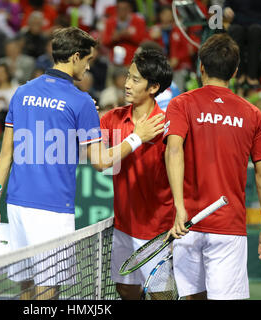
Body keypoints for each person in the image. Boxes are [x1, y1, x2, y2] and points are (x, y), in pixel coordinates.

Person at [0, 27, 165, 299]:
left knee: (27, 287)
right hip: (52, 211)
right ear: (75, 57)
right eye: (87, 60)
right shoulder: (80, 102)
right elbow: (102, 162)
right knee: (46, 291)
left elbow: (5, 154)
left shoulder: (22, 92)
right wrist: (138, 138)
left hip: (16, 205)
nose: (88, 66)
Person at [164, 33, 261, 300]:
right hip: (228, 228)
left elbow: (173, 149)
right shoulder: (252, 114)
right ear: (236, 71)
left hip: (187, 224)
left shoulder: (181, 104)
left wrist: (180, 209)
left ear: (201, 66)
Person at [100, 49, 174, 300]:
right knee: (126, 291)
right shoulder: (112, 119)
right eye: (127, 77)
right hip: (124, 227)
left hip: (159, 229)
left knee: (161, 295)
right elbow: (98, 161)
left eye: (135, 79)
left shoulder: (168, 125)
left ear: (153, 87)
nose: (127, 84)